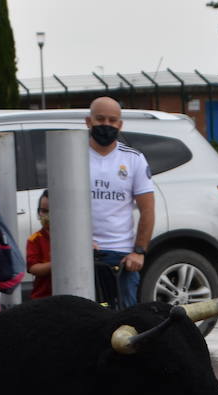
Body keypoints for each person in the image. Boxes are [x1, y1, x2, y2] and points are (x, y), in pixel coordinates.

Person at [87, 97, 155, 309]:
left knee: (125, 321)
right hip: (83, 254)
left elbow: (147, 210)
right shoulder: (74, 155)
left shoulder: (133, 159)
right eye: (100, 119)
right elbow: (59, 209)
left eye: (112, 120)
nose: (106, 125)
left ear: (120, 125)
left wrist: (139, 252)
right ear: (88, 121)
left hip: (122, 257)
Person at [26, 189, 52, 299]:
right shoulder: (35, 239)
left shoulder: (74, 236)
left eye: (51, 210)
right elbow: (33, 268)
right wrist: (58, 264)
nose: (47, 216)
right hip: (43, 296)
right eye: (44, 211)